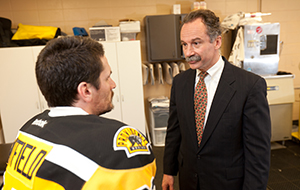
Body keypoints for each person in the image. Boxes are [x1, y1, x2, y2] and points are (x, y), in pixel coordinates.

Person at [2, 36, 156, 190]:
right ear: (86, 91)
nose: (113, 84)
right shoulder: (117, 148)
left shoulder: (27, 131)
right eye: (107, 78)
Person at [162, 9, 271, 190]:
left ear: (217, 41)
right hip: (189, 181)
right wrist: (168, 171)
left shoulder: (249, 87)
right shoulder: (180, 82)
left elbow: (258, 154)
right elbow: (174, 132)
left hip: (227, 184)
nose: (188, 53)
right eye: (184, 44)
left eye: (196, 43)